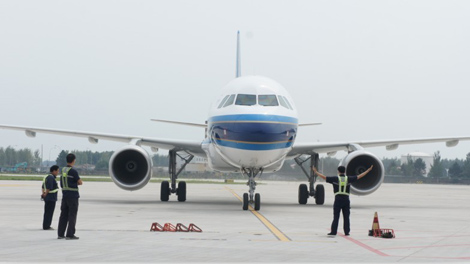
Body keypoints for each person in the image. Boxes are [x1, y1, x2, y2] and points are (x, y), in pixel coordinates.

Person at [312, 165, 373, 236]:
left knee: (336, 216)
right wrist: (368, 170)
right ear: (344, 171)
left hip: (338, 199)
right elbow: (359, 176)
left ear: (338, 171)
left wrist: (316, 172)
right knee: (346, 217)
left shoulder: (335, 178)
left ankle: (333, 232)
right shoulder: (349, 179)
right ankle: (347, 232)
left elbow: (324, 177)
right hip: (346, 199)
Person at [57, 153, 83, 240]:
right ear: (73, 160)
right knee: (72, 215)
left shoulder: (63, 170)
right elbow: (80, 182)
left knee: (63, 214)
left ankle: (60, 234)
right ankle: (70, 234)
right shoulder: (73, 171)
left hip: (65, 195)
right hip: (73, 196)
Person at [41, 165, 59, 230]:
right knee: (49, 212)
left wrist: (43, 193)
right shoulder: (51, 178)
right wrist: (45, 194)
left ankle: (45, 225)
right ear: (54, 171)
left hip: (47, 197)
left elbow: (43, 187)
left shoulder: (46, 177)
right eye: (57, 171)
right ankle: (47, 226)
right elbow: (49, 188)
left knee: (47, 212)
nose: (58, 172)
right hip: (51, 197)